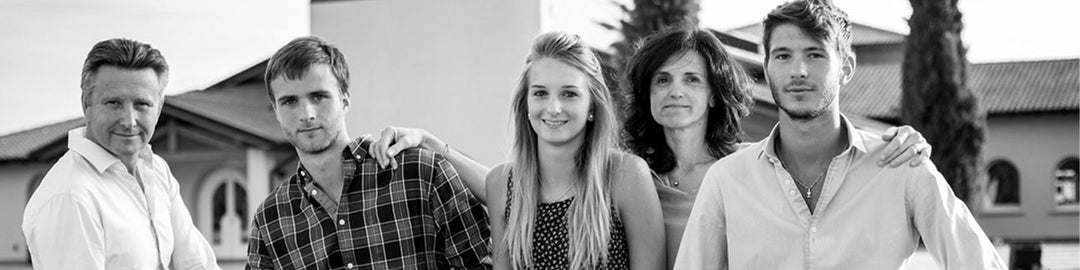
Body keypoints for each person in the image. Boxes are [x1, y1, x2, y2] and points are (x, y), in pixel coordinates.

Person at [369, 26, 933, 269]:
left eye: (690, 79)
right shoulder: (633, 174)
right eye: (662, 80)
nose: (675, 93)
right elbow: (509, 184)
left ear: (716, 92)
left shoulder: (752, 170)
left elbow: (821, 180)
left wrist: (893, 140)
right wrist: (431, 143)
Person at [674, 1, 1006, 269]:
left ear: (846, 67)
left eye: (814, 54)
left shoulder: (902, 167)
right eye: (783, 56)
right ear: (768, 67)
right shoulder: (727, 180)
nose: (798, 71)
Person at [246, 36, 490, 269]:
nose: (306, 113)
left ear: (345, 100)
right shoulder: (270, 218)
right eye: (289, 101)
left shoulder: (422, 173)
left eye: (319, 97)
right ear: (275, 111)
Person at [21, 38, 219, 269]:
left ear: (159, 108)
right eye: (114, 103)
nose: (129, 121)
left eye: (142, 104)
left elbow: (195, 264)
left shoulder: (156, 170)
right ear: (87, 103)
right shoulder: (70, 197)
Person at [491, 32, 664, 269]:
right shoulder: (501, 184)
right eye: (540, 93)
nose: (554, 108)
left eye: (569, 94)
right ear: (526, 104)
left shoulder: (626, 176)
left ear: (592, 106)